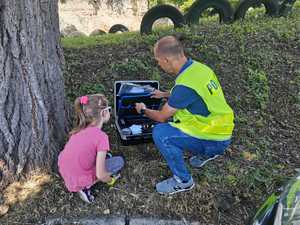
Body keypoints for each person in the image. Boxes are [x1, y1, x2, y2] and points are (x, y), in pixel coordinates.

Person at [135, 36, 234, 195]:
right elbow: (192, 94)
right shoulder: (199, 68)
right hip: (223, 128)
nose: (158, 65)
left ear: (166, 60)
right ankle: (209, 152)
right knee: (178, 121)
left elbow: (162, 117)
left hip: (213, 137)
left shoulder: (184, 86)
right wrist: (164, 94)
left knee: (161, 133)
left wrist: (143, 109)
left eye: (158, 61)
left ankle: (183, 181)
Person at [58, 94, 124, 203]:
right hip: (78, 179)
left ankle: (82, 180)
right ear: (103, 113)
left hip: (65, 171)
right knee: (118, 161)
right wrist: (110, 180)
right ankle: (85, 187)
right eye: (109, 110)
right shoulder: (101, 137)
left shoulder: (80, 129)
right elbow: (101, 174)